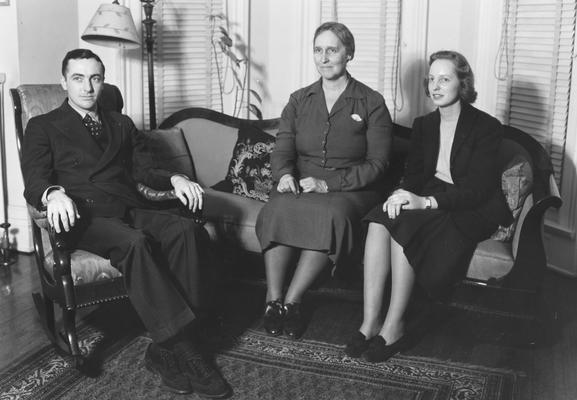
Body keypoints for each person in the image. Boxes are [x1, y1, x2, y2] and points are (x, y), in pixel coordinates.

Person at [21, 49, 231, 398]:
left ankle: (163, 349)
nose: (87, 87)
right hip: (82, 216)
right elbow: (34, 178)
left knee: (186, 230)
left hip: (127, 207)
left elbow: (145, 171)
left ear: (102, 81)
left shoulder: (120, 123)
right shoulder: (43, 125)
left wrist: (176, 178)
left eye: (95, 78)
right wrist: (53, 193)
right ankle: (186, 349)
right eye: (78, 78)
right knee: (134, 242)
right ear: (64, 82)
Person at [344, 50, 513, 362]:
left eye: (445, 79)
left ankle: (394, 326)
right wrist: (401, 194)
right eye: (432, 79)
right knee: (380, 218)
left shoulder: (487, 127)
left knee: (403, 225)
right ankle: (370, 323)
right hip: (434, 196)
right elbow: (415, 175)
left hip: (470, 207)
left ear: (462, 83)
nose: (436, 85)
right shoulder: (424, 124)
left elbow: (477, 190)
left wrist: (425, 201)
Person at [255, 22, 393, 339]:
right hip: (302, 184)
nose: (324, 57)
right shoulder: (300, 99)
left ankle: (292, 301)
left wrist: (328, 184)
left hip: (350, 189)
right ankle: (272, 301)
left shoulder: (371, 102)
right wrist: (285, 175)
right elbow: (282, 149)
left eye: (332, 49)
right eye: (318, 50)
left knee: (330, 214)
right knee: (276, 207)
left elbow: (379, 164)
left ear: (349, 54)